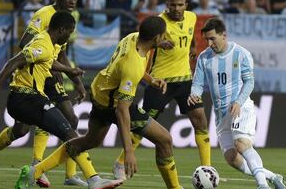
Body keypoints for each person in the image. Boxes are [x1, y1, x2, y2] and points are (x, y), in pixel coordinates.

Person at [20, 16, 184, 189]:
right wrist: (128, 151)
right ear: (156, 38)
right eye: (163, 36)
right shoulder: (133, 65)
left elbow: (127, 70)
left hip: (100, 92)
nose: (166, 38)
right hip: (112, 104)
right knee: (165, 140)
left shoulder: (132, 37)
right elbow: (122, 110)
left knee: (88, 142)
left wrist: (150, 80)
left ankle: (34, 171)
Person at [0, 10, 123, 189]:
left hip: (27, 98)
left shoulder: (49, 43)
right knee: (70, 132)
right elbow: (14, 61)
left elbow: (48, 61)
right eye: (70, 31)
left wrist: (69, 70)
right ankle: (93, 179)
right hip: (26, 97)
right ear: (61, 29)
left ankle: (26, 169)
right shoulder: (43, 43)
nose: (70, 36)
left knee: (23, 130)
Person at [0, 0, 87, 187]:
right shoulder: (43, 14)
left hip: (51, 73)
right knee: (21, 130)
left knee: (71, 120)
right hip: (36, 73)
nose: (72, 1)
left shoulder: (67, 20)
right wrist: (47, 61)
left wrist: (78, 83)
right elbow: (24, 43)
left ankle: (66, 174)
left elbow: (63, 54)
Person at [113, 0, 211, 180]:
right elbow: (142, 44)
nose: (176, 9)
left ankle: (207, 169)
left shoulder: (192, 18)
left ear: (186, 5)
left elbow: (190, 36)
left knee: (200, 119)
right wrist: (158, 44)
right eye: (172, 5)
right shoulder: (158, 23)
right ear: (167, 4)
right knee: (143, 125)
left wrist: (191, 49)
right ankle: (120, 161)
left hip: (184, 79)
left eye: (180, 5)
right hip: (161, 82)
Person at [188, 18, 286, 189]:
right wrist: (194, 94)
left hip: (240, 107)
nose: (210, 43)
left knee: (241, 144)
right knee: (231, 158)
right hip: (220, 114)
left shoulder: (241, 53)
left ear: (223, 35)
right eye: (207, 40)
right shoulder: (204, 58)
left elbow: (249, 82)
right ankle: (272, 176)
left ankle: (262, 185)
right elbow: (197, 83)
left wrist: (239, 102)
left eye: (213, 39)